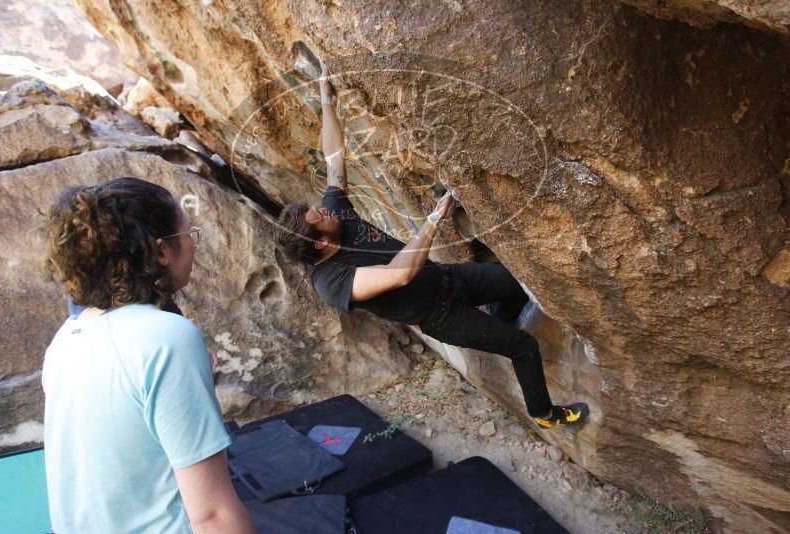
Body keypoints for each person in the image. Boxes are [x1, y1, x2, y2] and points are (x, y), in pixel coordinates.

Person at [275, 65, 588, 430]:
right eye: (320, 215)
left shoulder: (335, 216)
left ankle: (493, 326)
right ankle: (545, 414)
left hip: (448, 277)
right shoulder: (332, 281)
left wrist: (326, 101)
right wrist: (434, 219)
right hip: (441, 316)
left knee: (524, 283)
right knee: (523, 347)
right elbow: (400, 273)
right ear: (322, 242)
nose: (326, 207)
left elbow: (333, 161)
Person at [40, 177, 254, 533]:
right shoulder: (166, 338)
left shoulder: (65, 339)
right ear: (160, 251)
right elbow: (213, 515)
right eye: (189, 234)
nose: (194, 246)